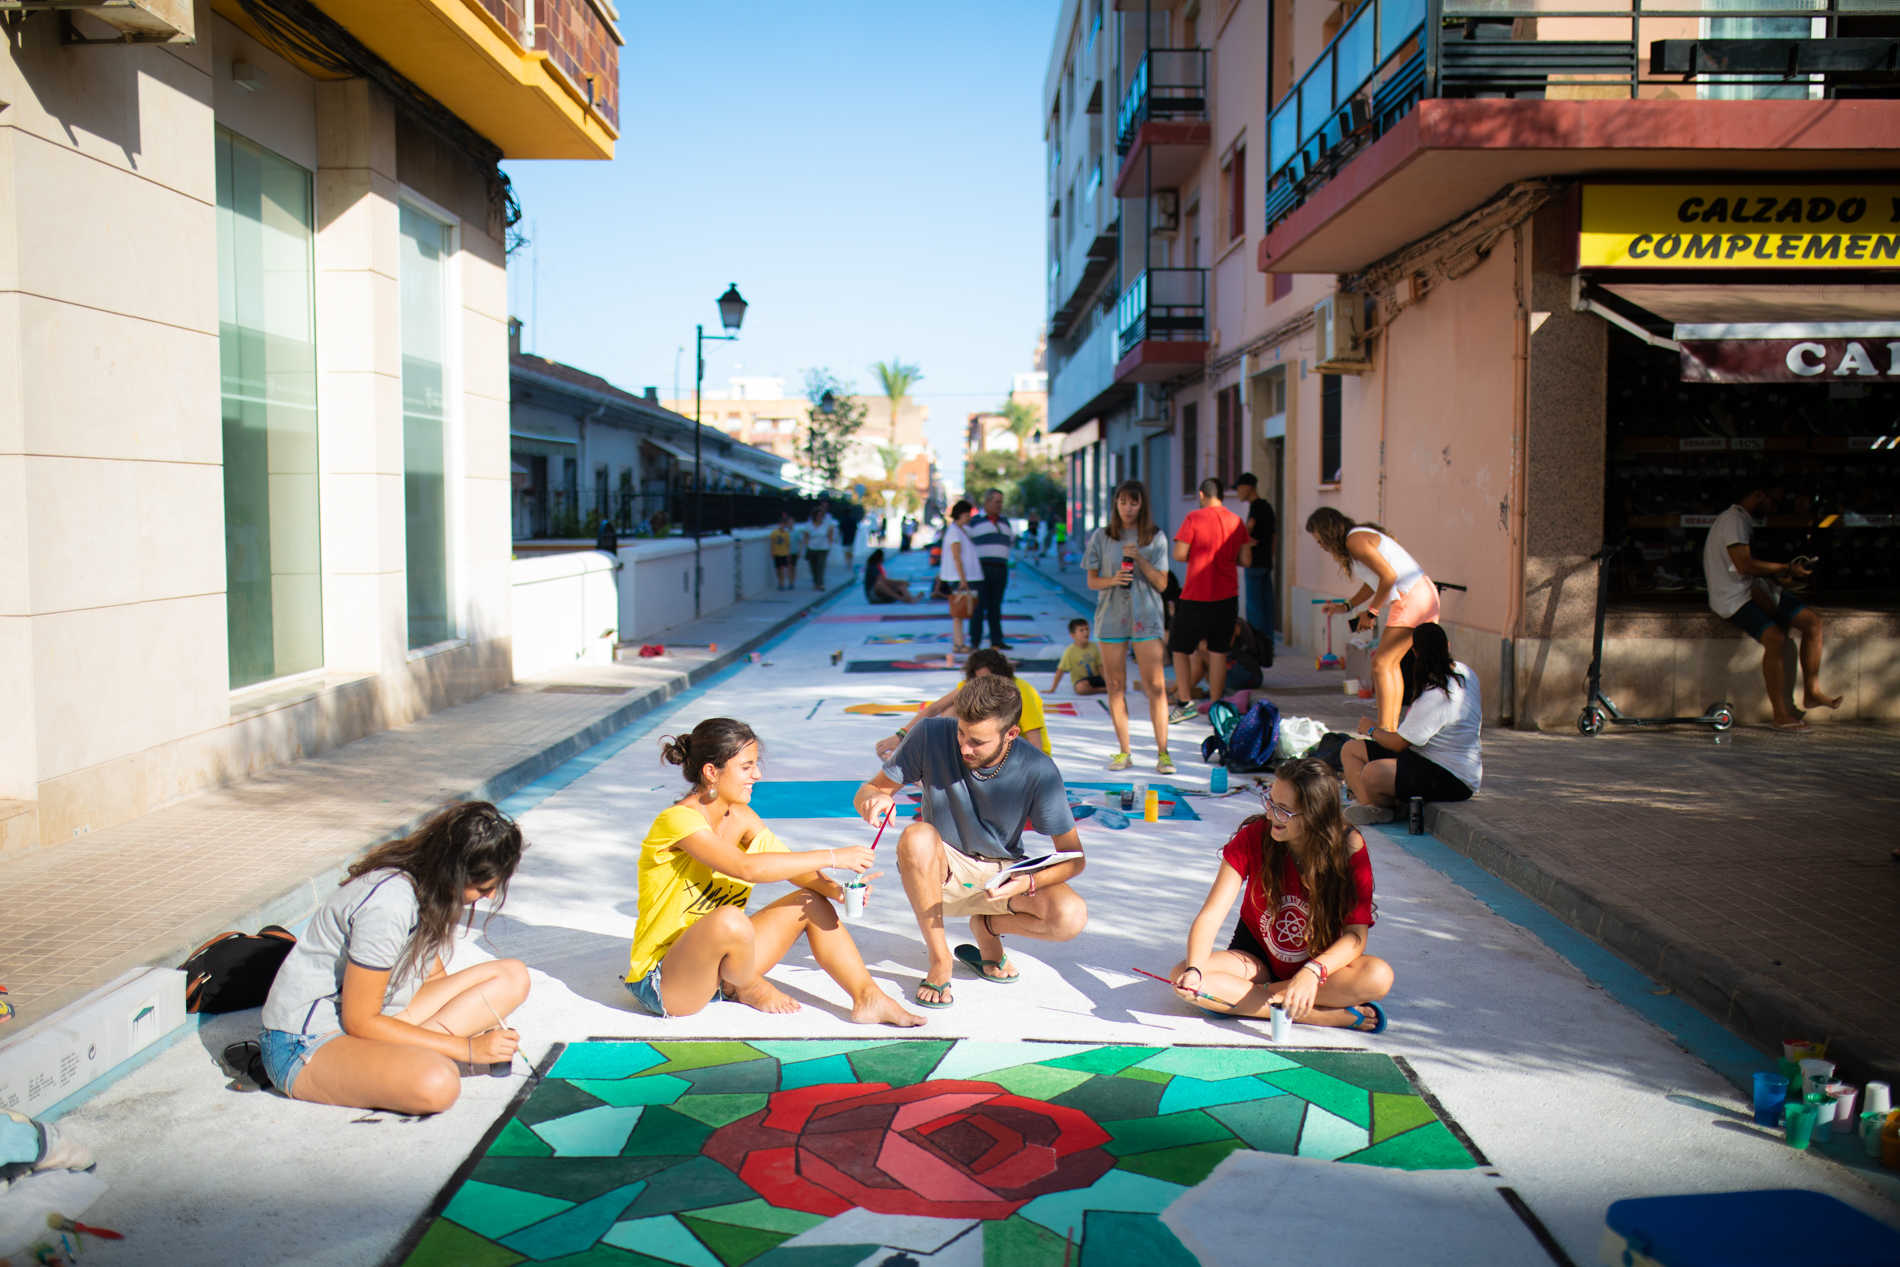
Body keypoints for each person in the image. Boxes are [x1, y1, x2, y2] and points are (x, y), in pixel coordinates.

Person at [625, 719, 923, 1027]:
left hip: (722, 966)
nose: (757, 775)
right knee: (730, 919)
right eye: (746, 767)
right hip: (668, 980)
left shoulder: (741, 815)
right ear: (711, 772)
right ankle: (748, 987)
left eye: (756, 765)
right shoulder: (678, 821)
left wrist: (836, 890)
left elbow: (787, 864)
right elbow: (747, 868)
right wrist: (834, 856)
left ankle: (868, 998)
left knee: (810, 902)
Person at [257, 802, 531, 1114]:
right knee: (437, 1083)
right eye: (483, 888)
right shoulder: (390, 904)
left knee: (512, 976)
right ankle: (397, 1063)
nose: (490, 897)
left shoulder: (429, 889)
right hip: (305, 1042)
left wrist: (474, 1027)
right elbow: (359, 1021)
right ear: (454, 873)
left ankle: (397, 1060)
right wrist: (466, 1048)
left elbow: (433, 978)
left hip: (373, 1018)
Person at [853, 675, 1086, 1009]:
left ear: (1012, 734)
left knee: (1071, 915)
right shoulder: (931, 733)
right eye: (961, 732)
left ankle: (988, 927)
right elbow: (870, 790)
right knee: (916, 835)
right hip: (941, 871)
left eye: (977, 741)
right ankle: (940, 960)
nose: (963, 747)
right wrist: (873, 800)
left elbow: (1074, 858)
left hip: (1003, 875)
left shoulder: (1039, 769)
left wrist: (1028, 881)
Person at [1170, 757, 1393, 1032]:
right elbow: (1211, 914)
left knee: (1378, 976)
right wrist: (1194, 971)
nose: (1270, 815)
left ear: (1316, 815)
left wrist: (1311, 974)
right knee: (1184, 974)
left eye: (1284, 810)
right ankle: (1315, 1014)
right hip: (1255, 961)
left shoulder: (1348, 846)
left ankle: (1250, 1000)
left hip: (1321, 967)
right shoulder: (1254, 836)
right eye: (1270, 802)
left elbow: (1355, 936)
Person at [1702, 483, 1839, 731]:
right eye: (1773, 503)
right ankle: (1780, 714)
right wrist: (1787, 568)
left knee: (1812, 623)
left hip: (1755, 589)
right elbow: (1744, 565)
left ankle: (1812, 691)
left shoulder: (1740, 520)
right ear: (1758, 495)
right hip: (1734, 599)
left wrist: (1778, 578)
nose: (1773, 509)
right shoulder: (1733, 520)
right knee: (1775, 638)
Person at [1306, 507, 1438, 734]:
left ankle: (1386, 727)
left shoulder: (1355, 541)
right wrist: (1348, 606)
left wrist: (1372, 612)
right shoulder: (1357, 538)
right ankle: (1390, 726)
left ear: (1327, 531)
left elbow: (1389, 576)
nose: (1321, 546)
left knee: (1382, 664)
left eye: (1320, 540)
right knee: (1388, 664)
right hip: (1421, 595)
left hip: (1413, 598)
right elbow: (1374, 581)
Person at [1341, 622, 1480, 822]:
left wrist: (1371, 729)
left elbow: (1399, 743)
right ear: (1447, 646)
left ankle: (1384, 806)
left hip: (1452, 777)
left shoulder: (1436, 694)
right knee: (1351, 749)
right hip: (1427, 759)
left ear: (1414, 652)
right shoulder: (1466, 672)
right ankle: (1373, 807)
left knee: (1372, 773)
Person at [1085, 480, 1175, 774]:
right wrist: (1113, 581)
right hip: (1111, 617)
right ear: (1115, 504)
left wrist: (1140, 558)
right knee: (1115, 685)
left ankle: (1163, 753)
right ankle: (1124, 751)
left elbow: (1162, 583)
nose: (1128, 508)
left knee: (1157, 687)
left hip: (1146, 617)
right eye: (1123, 502)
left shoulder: (1155, 537)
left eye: (1133, 503)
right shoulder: (1102, 536)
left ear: (1142, 505)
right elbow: (1091, 580)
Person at [1169, 478, 1252, 727]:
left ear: (1202, 494)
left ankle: (1185, 703)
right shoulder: (1236, 521)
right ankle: (1216, 705)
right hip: (1227, 595)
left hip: (1196, 594)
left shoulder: (1194, 518)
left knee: (1179, 647)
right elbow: (1246, 559)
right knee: (1218, 651)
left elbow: (1180, 553)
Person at [876, 648, 1050, 760]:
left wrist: (1035, 776)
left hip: (1021, 754)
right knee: (950, 709)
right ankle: (940, 765)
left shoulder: (1020, 691)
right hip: (987, 749)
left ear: (1001, 677)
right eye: (978, 680)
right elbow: (934, 708)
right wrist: (901, 736)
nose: (983, 684)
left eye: (988, 679)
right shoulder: (974, 686)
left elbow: (1036, 742)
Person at [1234, 473, 1276, 666]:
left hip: (1255, 564)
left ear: (1249, 487)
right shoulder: (1267, 507)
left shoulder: (1257, 508)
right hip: (1266, 563)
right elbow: (1272, 537)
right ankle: (1268, 648)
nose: (1238, 492)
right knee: (1267, 607)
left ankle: (1256, 648)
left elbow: (1247, 533)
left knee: (1255, 609)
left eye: (1240, 487)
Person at [968, 488, 1016, 650]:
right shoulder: (975, 522)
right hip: (981, 569)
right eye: (996, 502)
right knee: (979, 606)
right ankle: (975, 641)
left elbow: (1010, 541)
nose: (999, 505)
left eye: (1001, 502)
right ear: (987, 502)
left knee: (996, 605)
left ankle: (997, 640)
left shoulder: (1005, 522)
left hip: (1000, 568)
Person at [933, 500, 979, 653]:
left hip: (963, 577)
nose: (969, 518)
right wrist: (963, 579)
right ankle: (958, 644)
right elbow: (956, 557)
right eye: (967, 515)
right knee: (959, 611)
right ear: (960, 515)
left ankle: (959, 643)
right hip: (959, 578)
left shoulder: (960, 530)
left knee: (961, 611)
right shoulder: (954, 532)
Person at [1050, 617, 1106, 696]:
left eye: (1087, 629)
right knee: (1080, 688)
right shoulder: (1070, 651)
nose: (1085, 632)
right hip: (1082, 681)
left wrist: (1107, 680)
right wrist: (1052, 689)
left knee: (1118, 683)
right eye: (1081, 630)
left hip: (1096, 678)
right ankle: (1103, 690)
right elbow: (1060, 671)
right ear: (1073, 635)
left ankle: (1107, 688)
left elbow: (1100, 666)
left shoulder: (1093, 646)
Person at [806, 505, 837, 590]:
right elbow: (806, 536)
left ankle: (820, 584)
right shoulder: (809, 525)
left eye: (821, 515)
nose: (819, 517)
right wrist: (806, 546)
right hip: (812, 548)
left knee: (821, 566)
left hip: (823, 548)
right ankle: (815, 582)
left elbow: (830, 534)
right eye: (818, 515)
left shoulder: (826, 525)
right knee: (813, 567)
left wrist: (830, 545)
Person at [769, 512, 795, 591]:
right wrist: (772, 552)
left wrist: (788, 554)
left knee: (783, 569)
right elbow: (772, 543)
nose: (782, 525)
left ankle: (783, 583)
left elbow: (788, 544)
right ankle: (780, 582)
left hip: (784, 553)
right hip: (777, 553)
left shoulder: (786, 534)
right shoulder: (774, 533)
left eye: (783, 524)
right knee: (778, 569)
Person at [838, 502, 863, 569]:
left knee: (846, 551)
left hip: (845, 538)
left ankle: (847, 562)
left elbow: (840, 529)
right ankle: (849, 562)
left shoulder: (843, 520)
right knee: (850, 551)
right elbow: (856, 529)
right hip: (851, 538)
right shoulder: (853, 520)